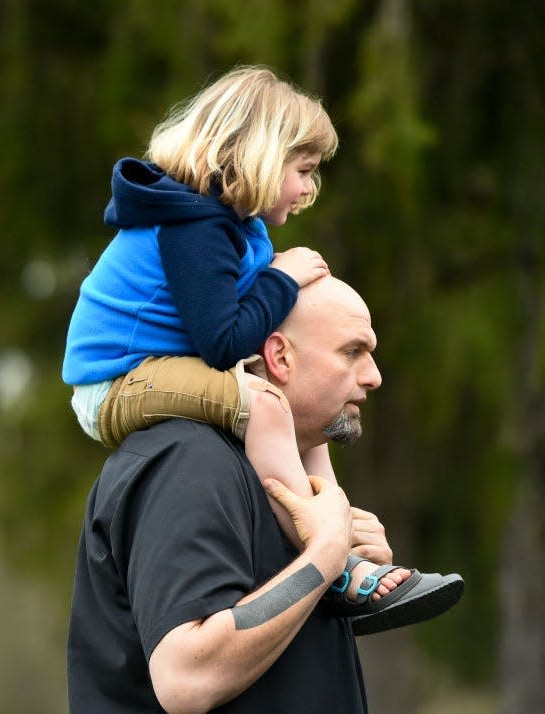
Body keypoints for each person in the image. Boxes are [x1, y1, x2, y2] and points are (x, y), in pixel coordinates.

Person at [62, 65, 452, 615]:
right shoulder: (193, 224)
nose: (310, 188)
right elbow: (223, 342)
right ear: (262, 156)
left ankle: (341, 530)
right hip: (115, 382)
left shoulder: (240, 226)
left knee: (296, 409)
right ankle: (328, 559)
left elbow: (247, 321)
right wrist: (282, 278)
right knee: (268, 406)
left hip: (162, 362)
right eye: (305, 170)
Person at [67, 276, 464, 712]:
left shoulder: (267, 470)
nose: (374, 377)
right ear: (279, 356)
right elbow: (186, 677)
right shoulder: (190, 460)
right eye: (352, 352)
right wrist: (325, 556)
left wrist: (342, 578)